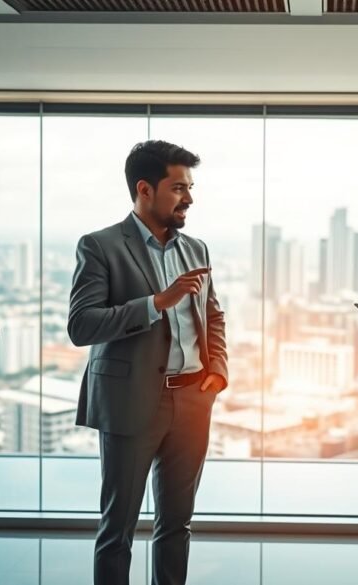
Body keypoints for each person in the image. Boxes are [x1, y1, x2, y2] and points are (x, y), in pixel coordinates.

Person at [68, 140, 228, 585]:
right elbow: (82, 325)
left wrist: (218, 371)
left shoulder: (196, 248)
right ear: (144, 188)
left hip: (194, 399)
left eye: (190, 188)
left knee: (177, 525)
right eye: (179, 188)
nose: (189, 198)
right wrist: (156, 302)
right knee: (117, 530)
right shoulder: (99, 246)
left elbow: (213, 314)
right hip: (130, 400)